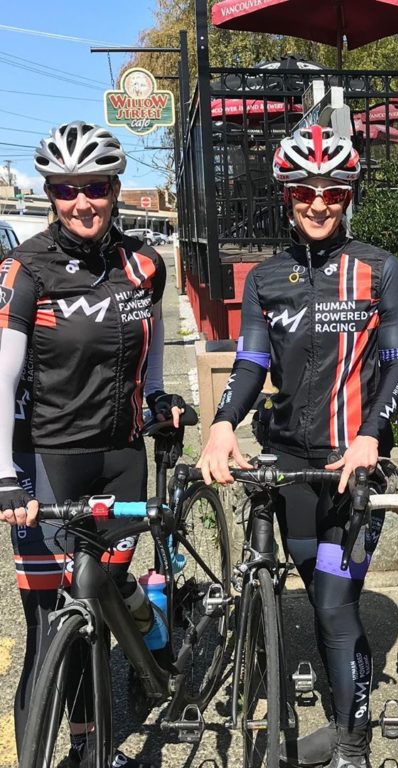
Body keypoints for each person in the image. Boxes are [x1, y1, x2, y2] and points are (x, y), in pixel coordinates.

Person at [197, 123, 398, 768]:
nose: (318, 203)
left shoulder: (380, 269)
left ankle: (351, 742)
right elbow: (251, 362)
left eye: (333, 191)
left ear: (349, 196)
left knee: (332, 603)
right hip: (291, 463)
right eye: (303, 191)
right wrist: (220, 423)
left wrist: (373, 434)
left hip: (354, 465)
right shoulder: (266, 278)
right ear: (286, 195)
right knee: (317, 596)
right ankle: (345, 717)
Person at [0, 121, 185, 768]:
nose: (83, 201)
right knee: (51, 625)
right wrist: (3, 476)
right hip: (46, 460)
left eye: (96, 187)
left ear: (116, 187)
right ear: (50, 193)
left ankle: (149, 619)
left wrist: (160, 399)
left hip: (120, 459)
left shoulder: (144, 265)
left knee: (102, 593)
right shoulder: (24, 269)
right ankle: (77, 750)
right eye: (66, 188)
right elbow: (2, 376)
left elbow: (153, 347)